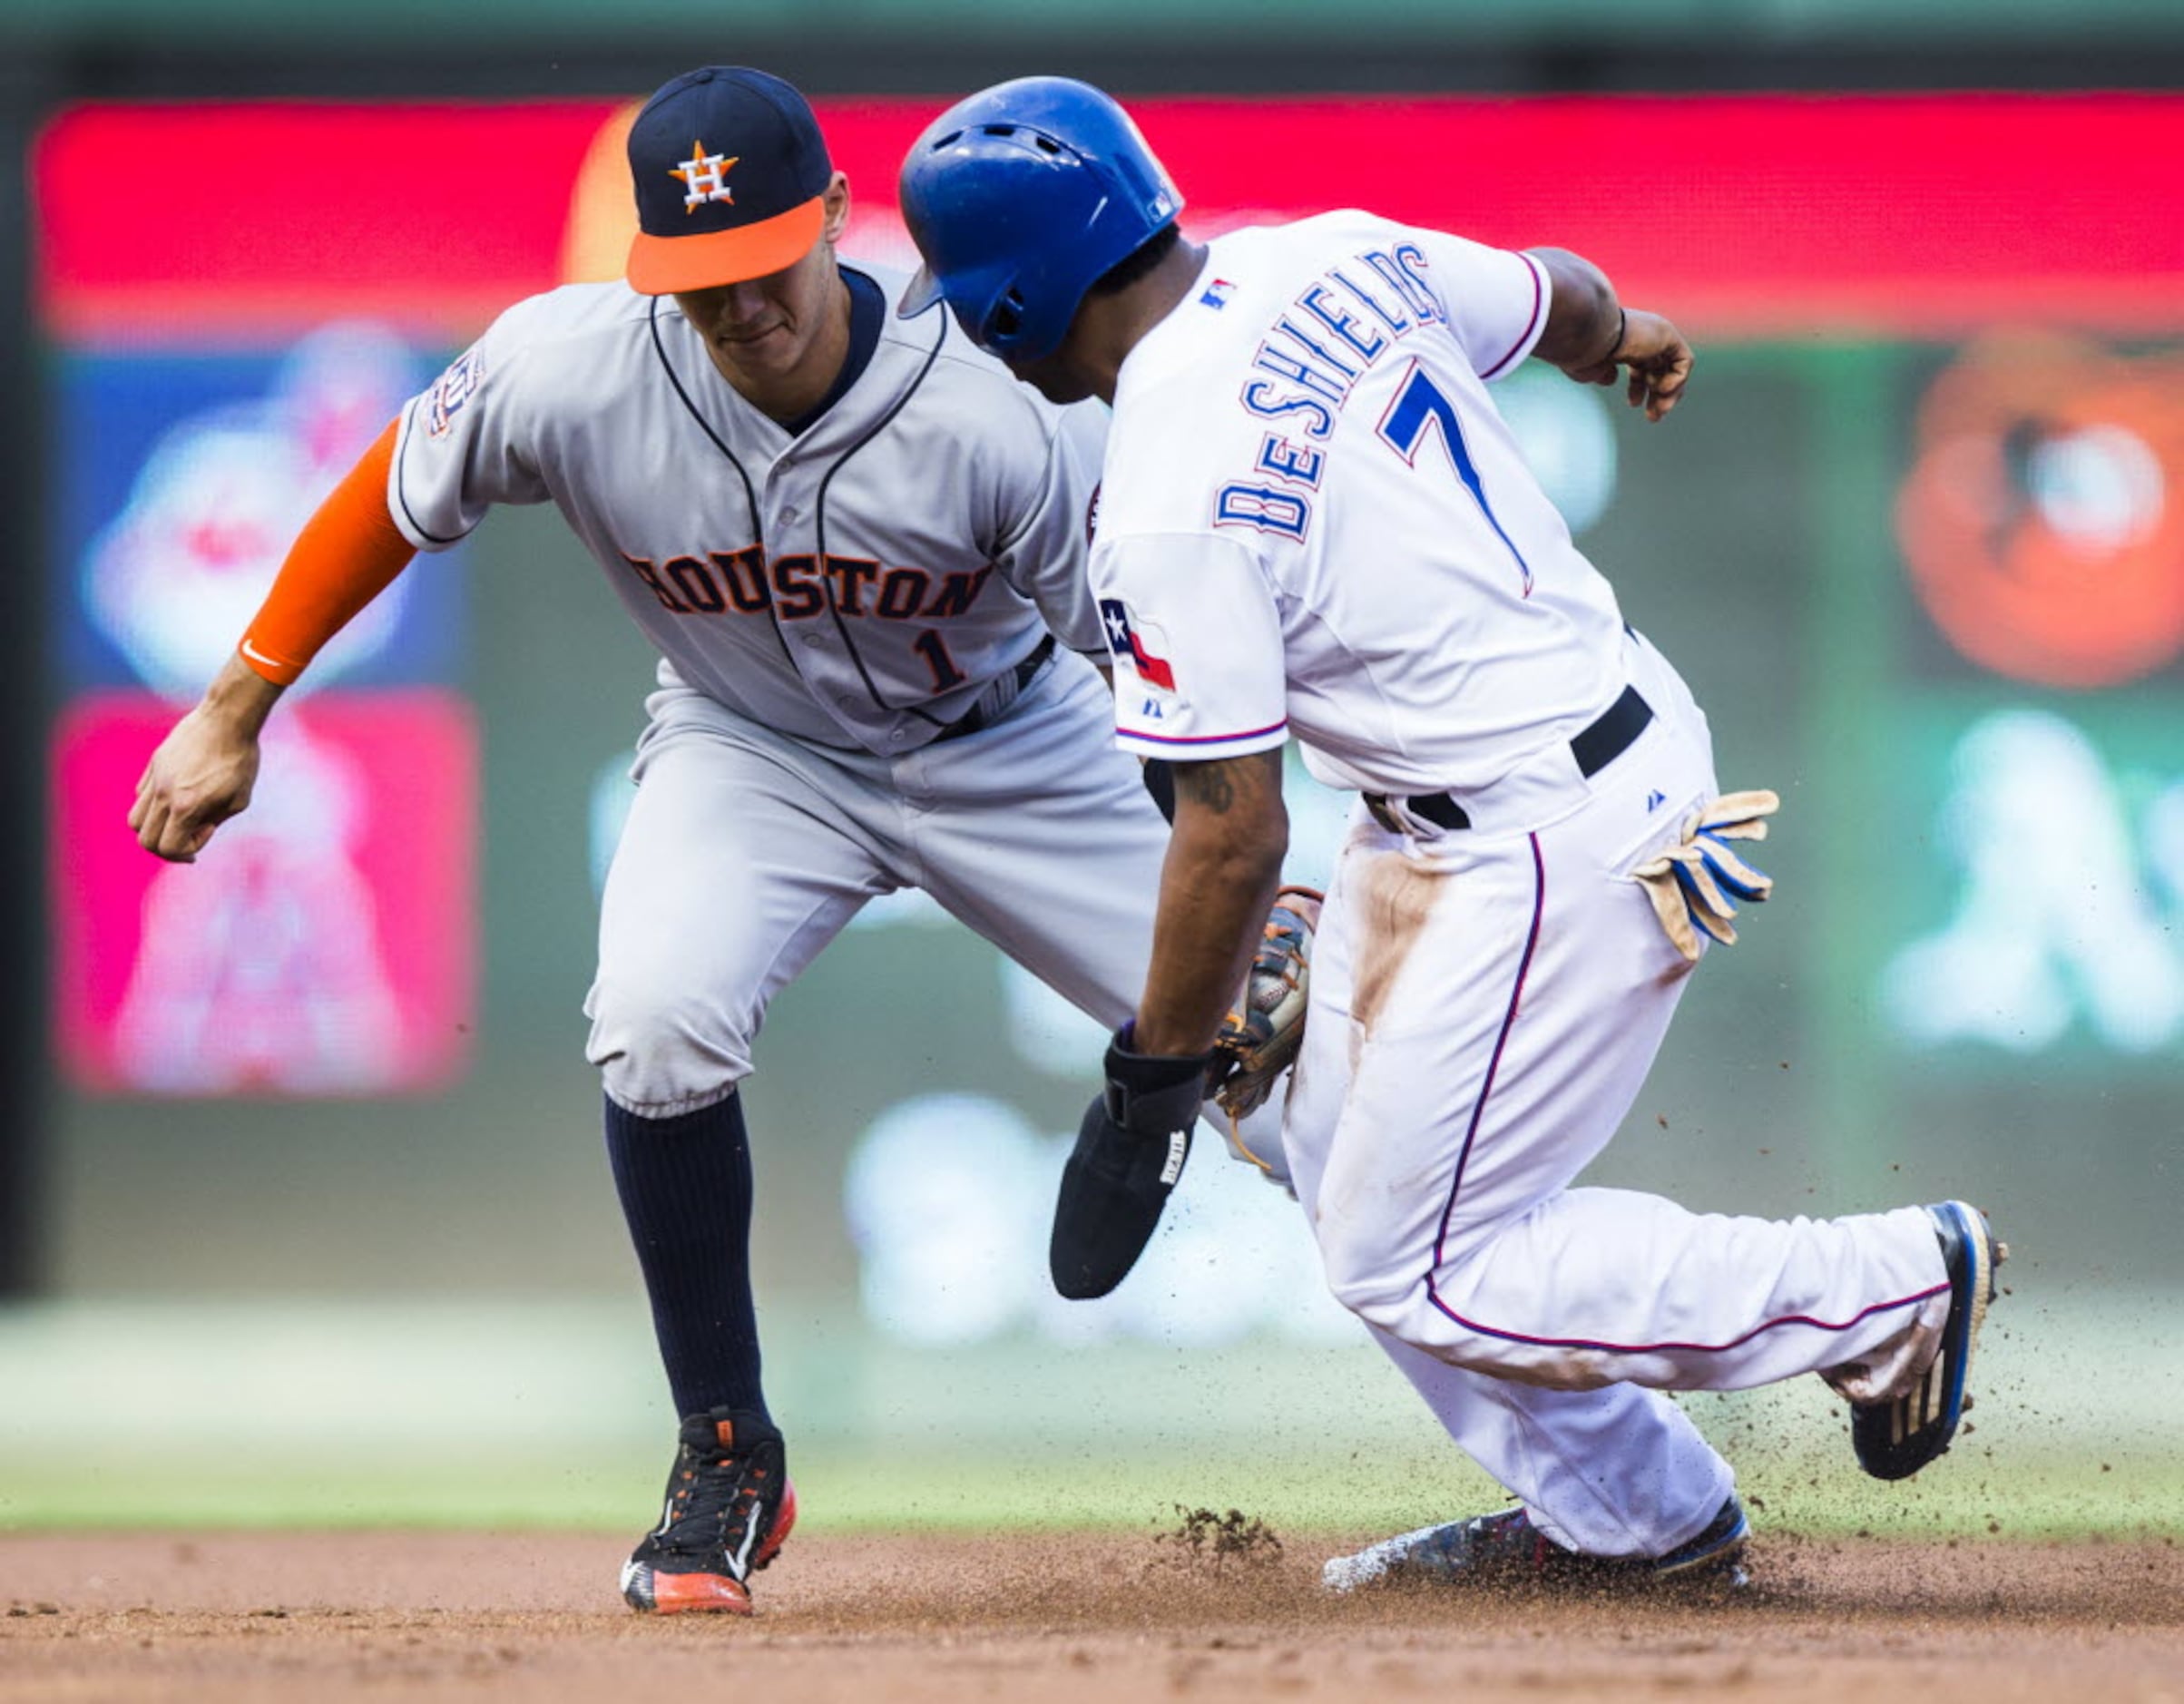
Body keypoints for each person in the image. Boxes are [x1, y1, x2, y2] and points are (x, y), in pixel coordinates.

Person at [127, 65, 1279, 1615]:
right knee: (657, 1023)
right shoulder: (572, 365)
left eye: (762, 268)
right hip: (753, 748)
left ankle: (1574, 1474)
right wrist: (233, 705)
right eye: (696, 284)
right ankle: (726, 1446)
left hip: (1013, 744)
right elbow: (390, 496)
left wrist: (1229, 905)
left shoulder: (994, 406)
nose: (738, 312)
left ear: (834, 219)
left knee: (1308, 1067)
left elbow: (1154, 677)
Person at [897, 76, 2006, 1591]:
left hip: (1539, 839)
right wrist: (1628, 342)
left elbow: (1228, 828)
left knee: (1419, 1260)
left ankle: (1885, 1289)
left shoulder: (1157, 493)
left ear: (1005, 306)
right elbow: (1561, 295)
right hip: (1550, 766)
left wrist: (1152, 1074)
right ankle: (1638, 1523)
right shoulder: (1320, 253)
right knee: (1327, 1153)